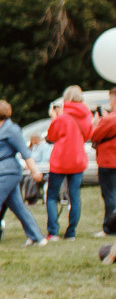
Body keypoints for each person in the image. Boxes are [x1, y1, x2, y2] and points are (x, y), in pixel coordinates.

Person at [0, 100, 45, 249]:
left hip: (7, 172)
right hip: (1, 171)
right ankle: (37, 237)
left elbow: (25, 152)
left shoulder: (12, 130)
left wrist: (35, 172)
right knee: (18, 206)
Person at [44, 85, 92, 240]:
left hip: (61, 160)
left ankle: (53, 231)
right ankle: (71, 232)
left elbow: (51, 136)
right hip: (78, 160)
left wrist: (54, 118)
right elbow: (88, 135)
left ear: (66, 99)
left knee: (52, 196)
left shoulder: (62, 117)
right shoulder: (87, 116)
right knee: (75, 196)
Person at [91, 99, 116, 231]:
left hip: (109, 161)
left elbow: (94, 136)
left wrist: (96, 124)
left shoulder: (110, 119)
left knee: (110, 196)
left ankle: (110, 227)